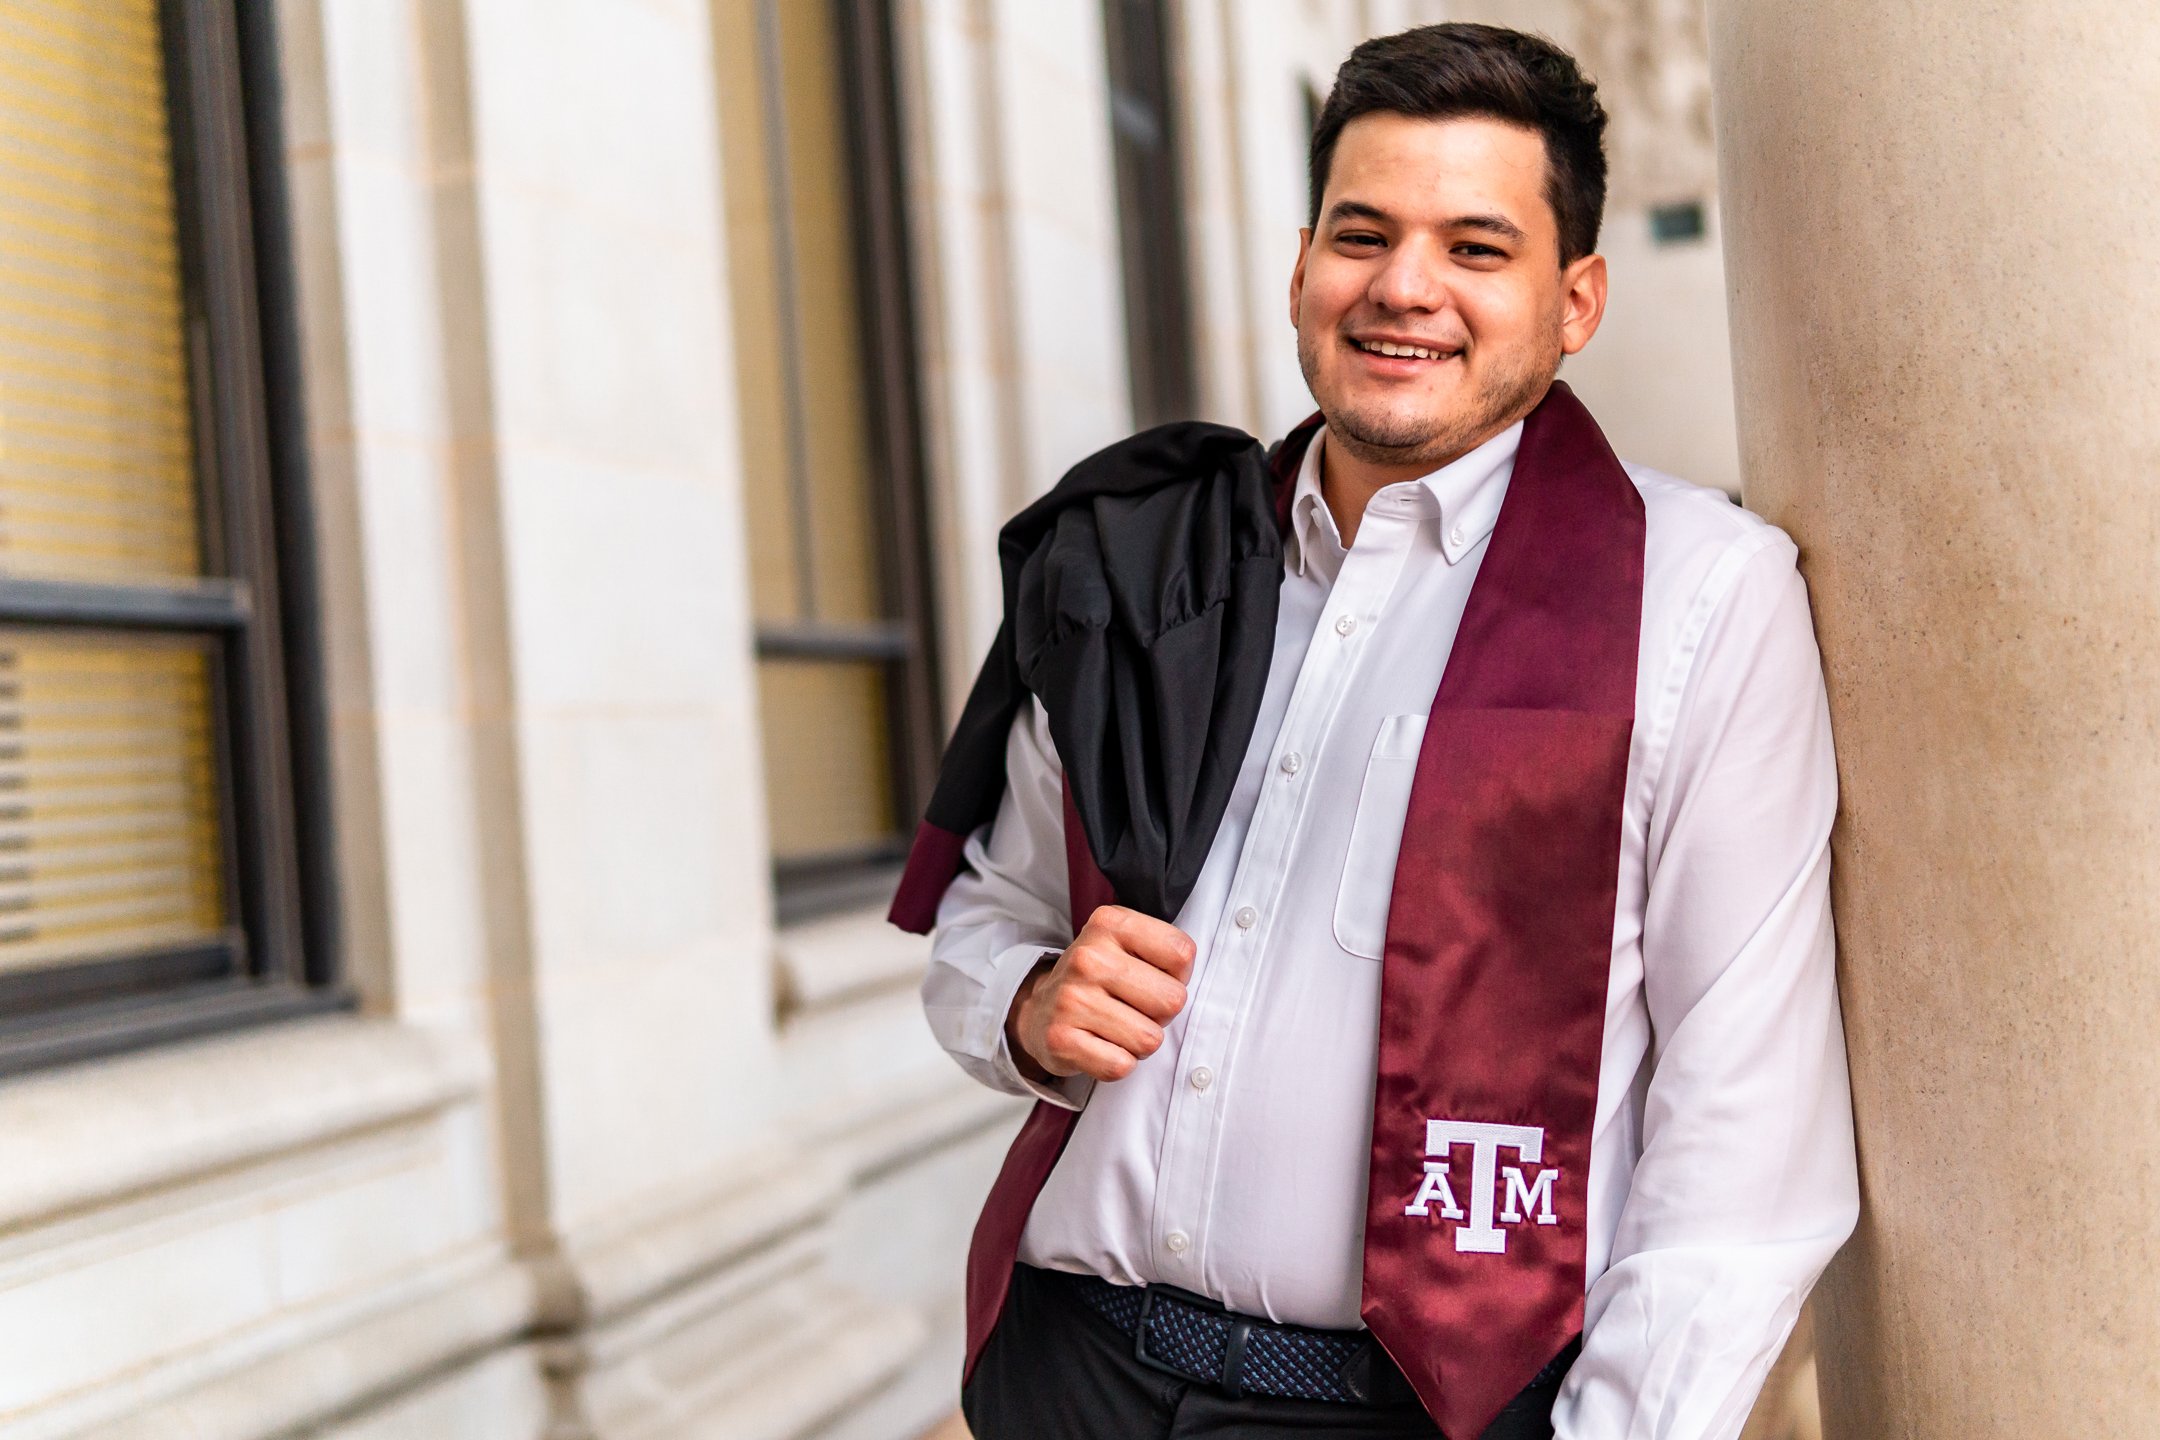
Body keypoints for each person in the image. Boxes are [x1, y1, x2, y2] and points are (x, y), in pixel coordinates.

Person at [894, 22, 1858, 1440]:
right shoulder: (1146, 573)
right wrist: (1037, 1008)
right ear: (1301, 268)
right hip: (1068, 1373)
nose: (1404, 287)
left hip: (1411, 1412)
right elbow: (992, 922)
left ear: (1576, 300)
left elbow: (1746, 1143)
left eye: (1477, 247)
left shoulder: (1700, 601)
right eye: (1363, 234)